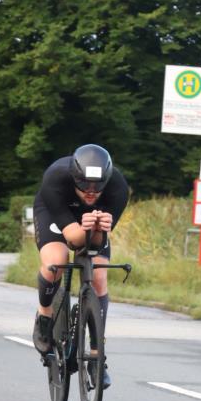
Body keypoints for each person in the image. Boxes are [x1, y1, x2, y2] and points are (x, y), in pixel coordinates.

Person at [31, 144, 129, 388]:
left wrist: (97, 228)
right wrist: (83, 227)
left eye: (98, 187)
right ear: (74, 177)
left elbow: (95, 244)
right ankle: (44, 316)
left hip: (91, 223)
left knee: (99, 276)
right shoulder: (55, 178)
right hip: (57, 214)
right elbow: (74, 239)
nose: (91, 192)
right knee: (57, 261)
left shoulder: (118, 188)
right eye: (84, 185)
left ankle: (97, 356)